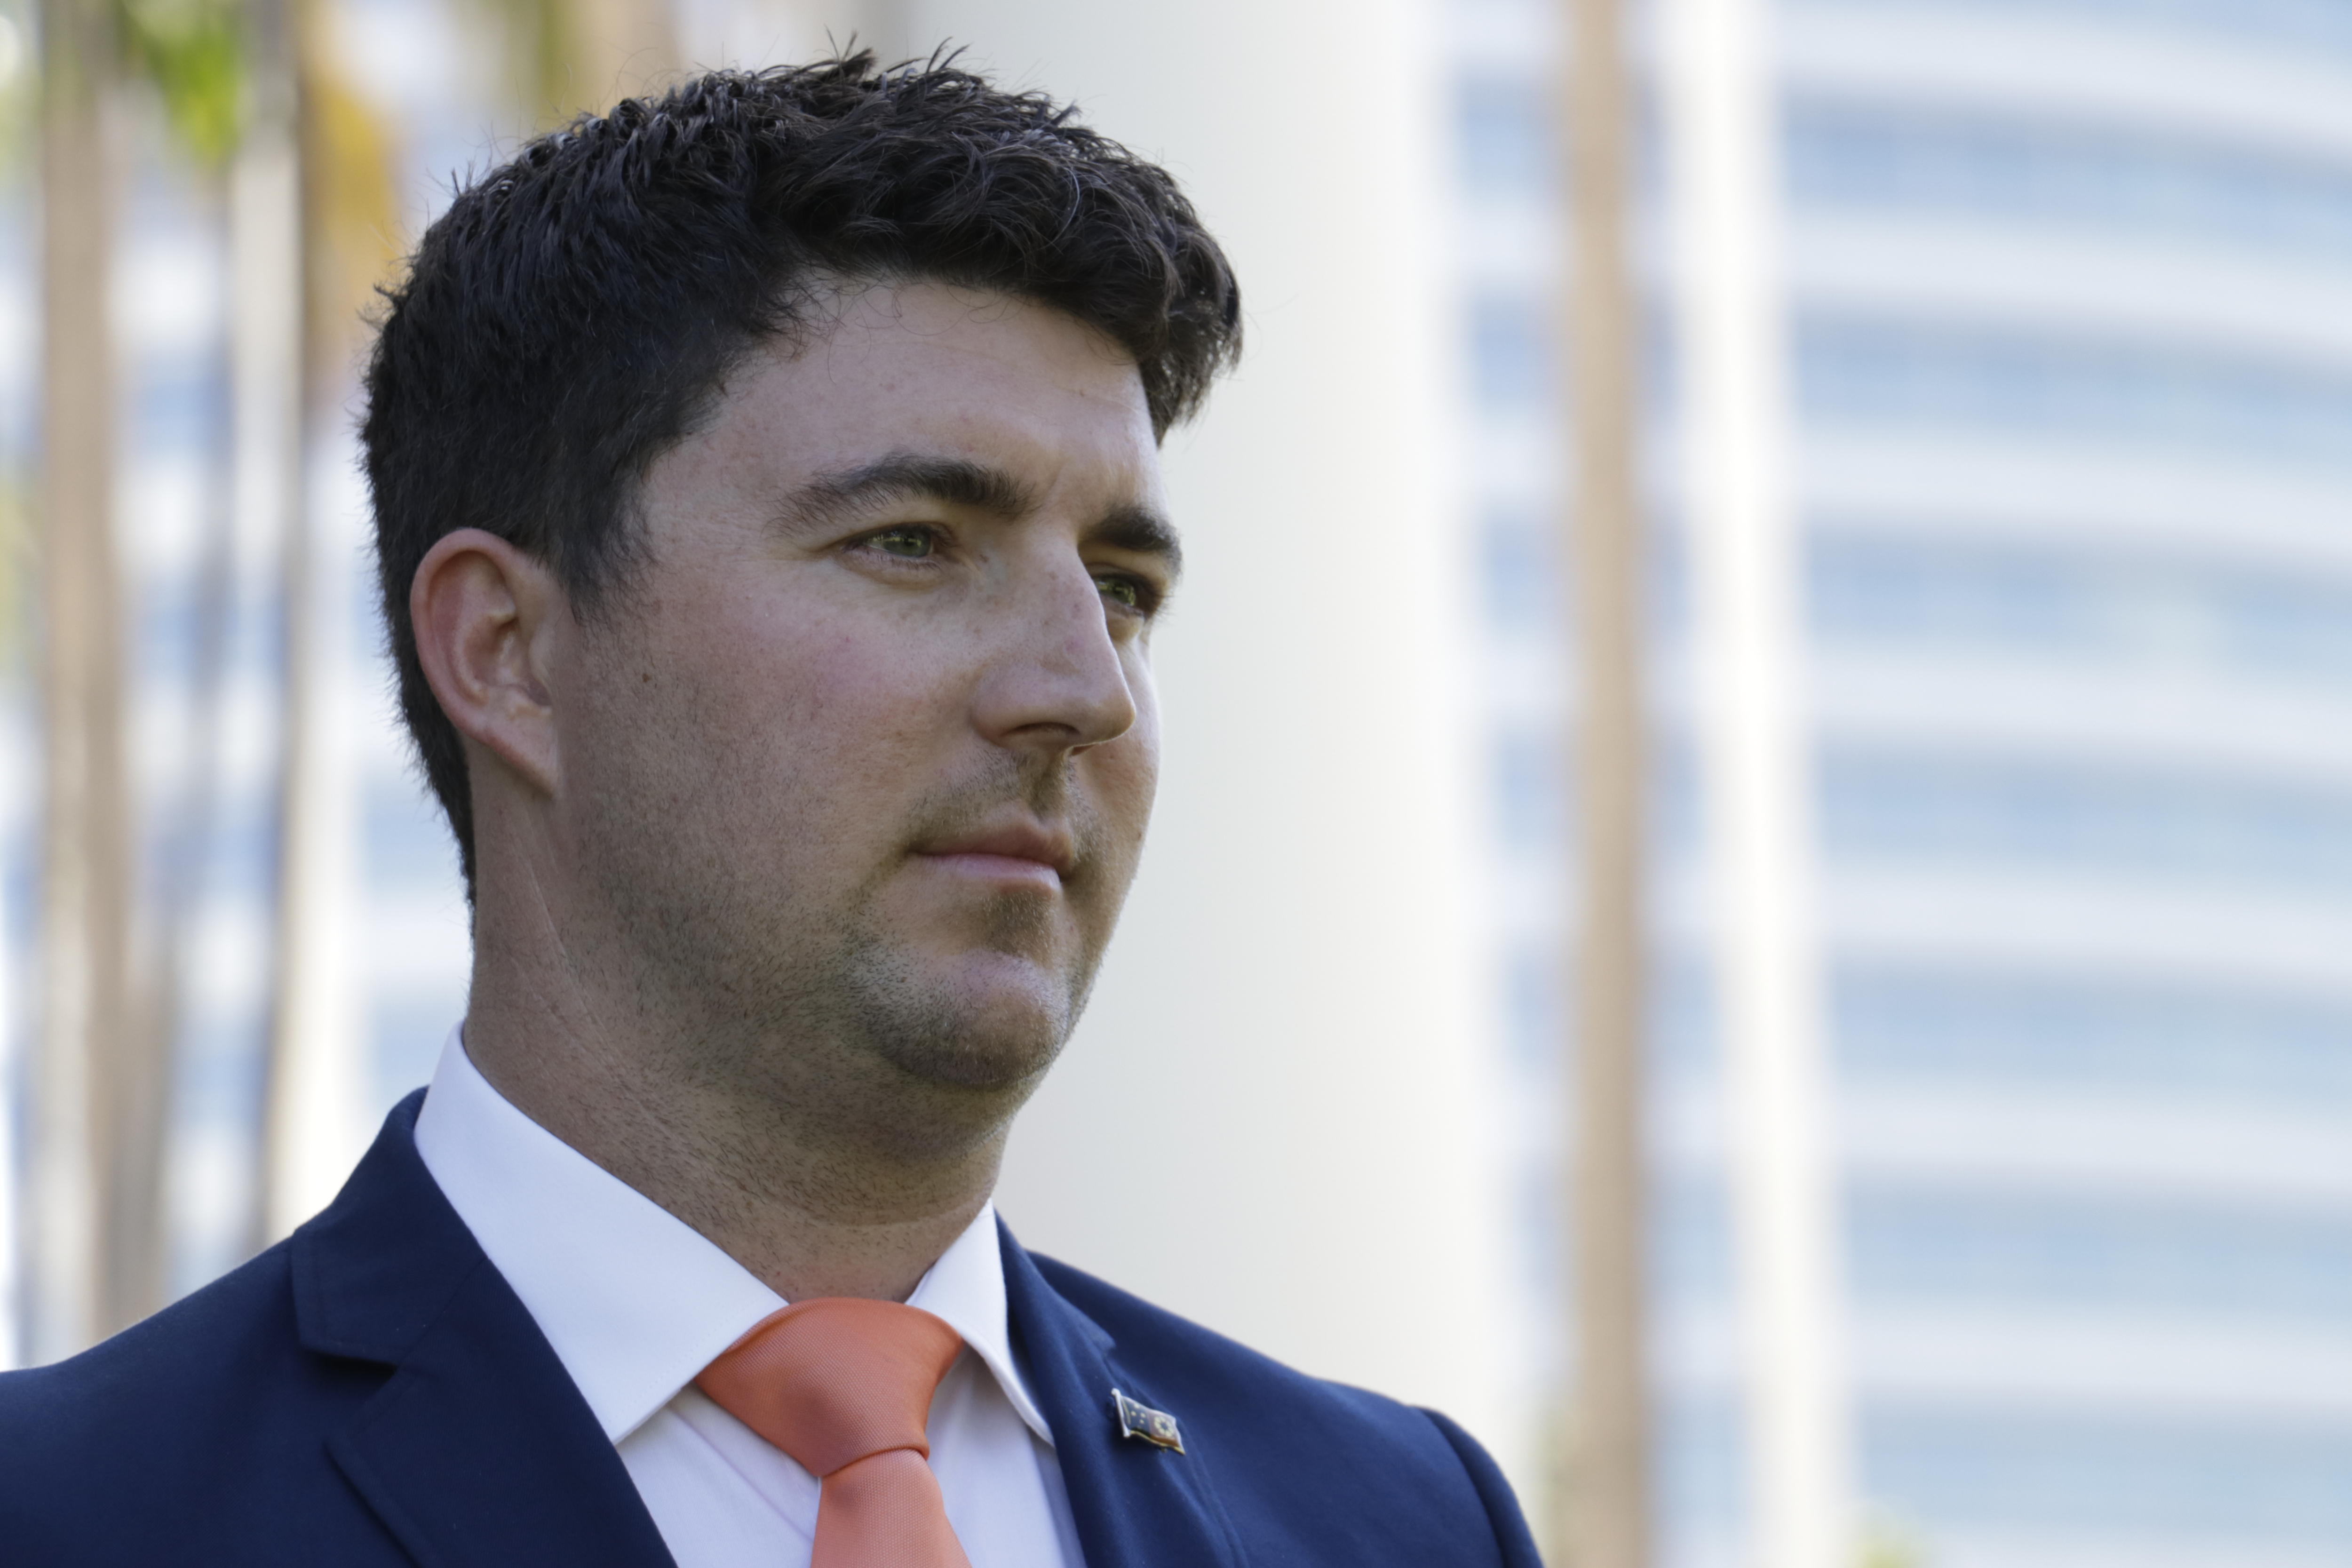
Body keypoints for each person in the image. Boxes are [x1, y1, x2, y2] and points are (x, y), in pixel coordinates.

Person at [0, 55, 1540, 1567]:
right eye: (916, 543)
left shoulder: (1400, 1521)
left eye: (1124, 590)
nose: (1089, 689)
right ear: (507, 652)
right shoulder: (63, 1516)